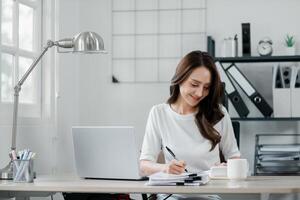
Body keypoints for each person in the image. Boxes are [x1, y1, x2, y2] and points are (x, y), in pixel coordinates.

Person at [139, 50, 241, 200]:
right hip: (171, 196)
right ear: (180, 78)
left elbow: (235, 158)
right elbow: (144, 166)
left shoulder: (219, 114)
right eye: (194, 84)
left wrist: (228, 169)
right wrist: (165, 168)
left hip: (208, 196)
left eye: (206, 87)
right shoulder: (159, 113)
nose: (200, 93)